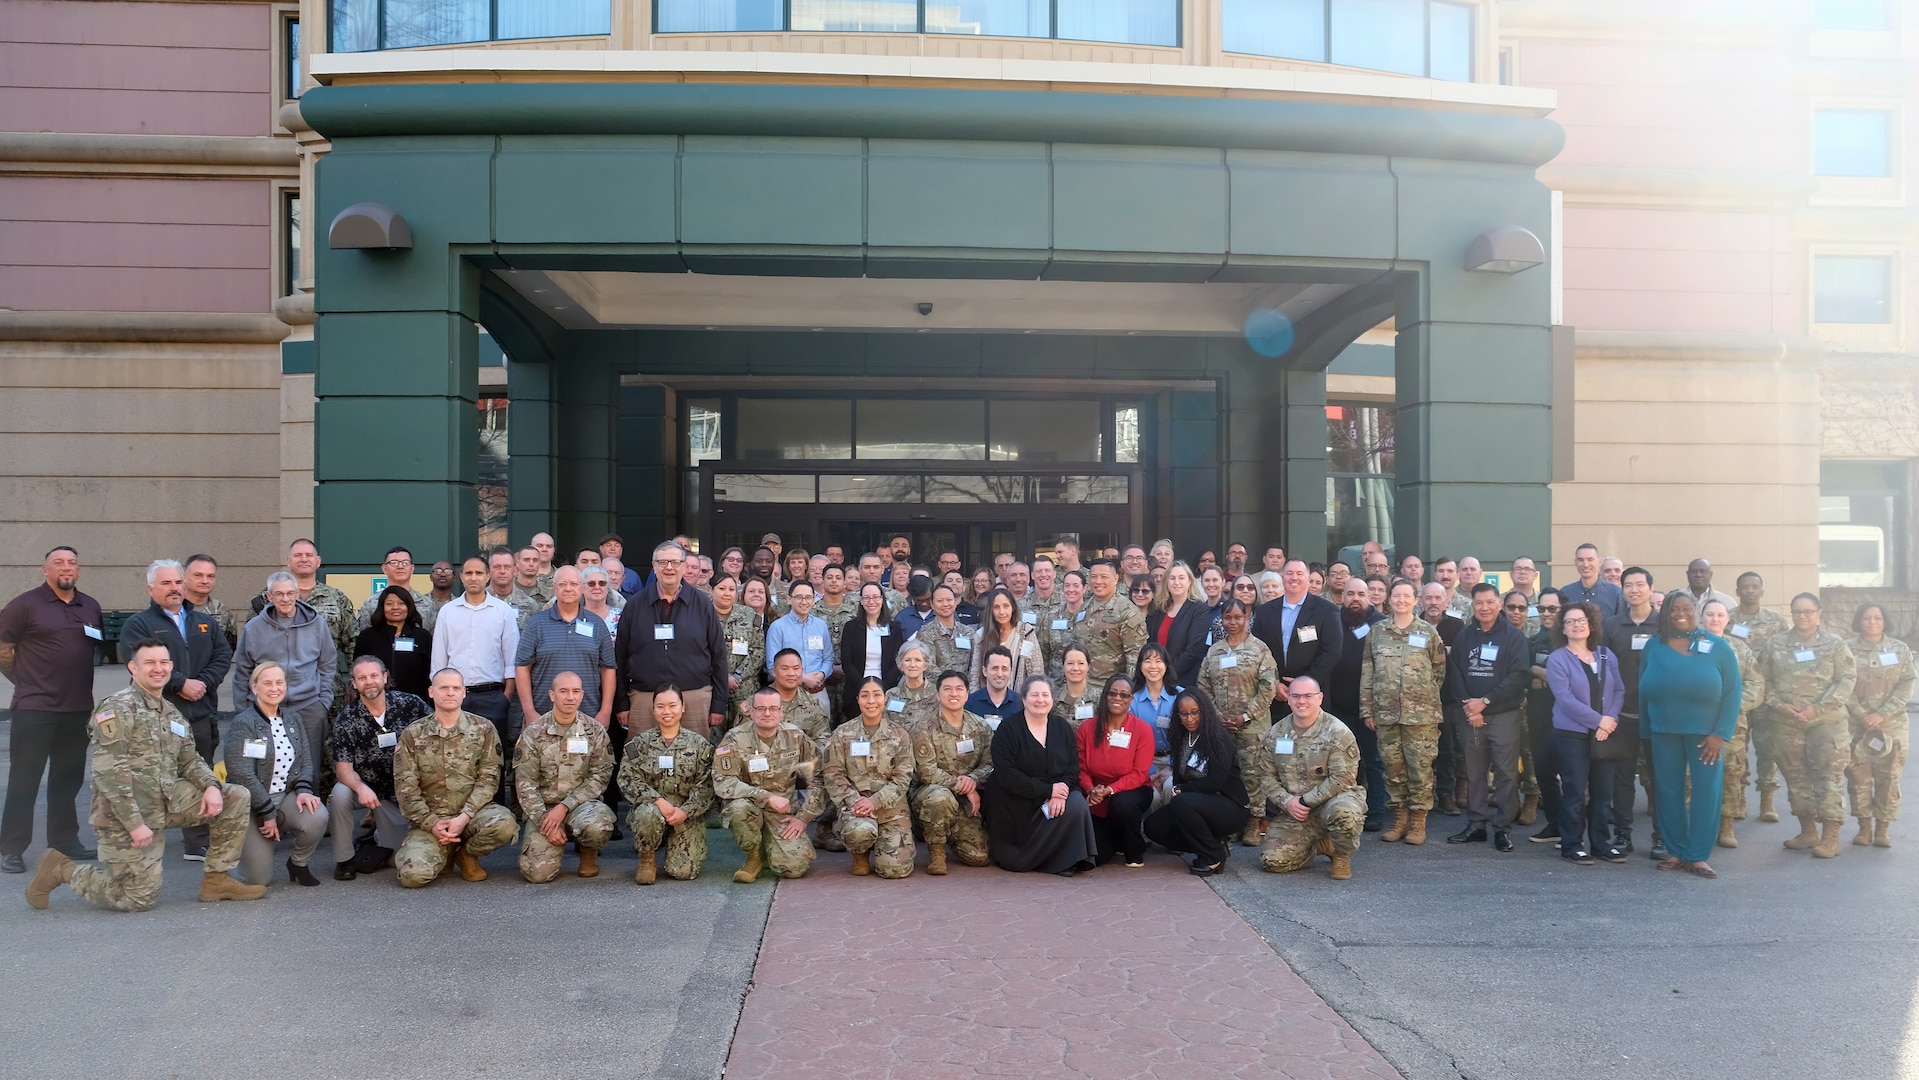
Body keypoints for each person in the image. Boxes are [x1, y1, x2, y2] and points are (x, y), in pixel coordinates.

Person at [24, 639, 263, 910]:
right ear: (133, 668)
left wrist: (210, 785)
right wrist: (135, 824)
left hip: (165, 802)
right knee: (136, 898)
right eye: (149, 662)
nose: (157, 669)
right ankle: (61, 869)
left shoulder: (172, 714)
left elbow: (189, 760)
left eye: (163, 662)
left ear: (171, 667)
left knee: (234, 796)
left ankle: (217, 880)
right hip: (123, 816)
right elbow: (109, 774)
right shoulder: (117, 708)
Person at [118, 558, 232, 863]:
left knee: (201, 773)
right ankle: (141, 839)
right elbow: (139, 663)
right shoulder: (139, 624)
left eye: (178, 582)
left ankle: (196, 842)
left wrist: (202, 684)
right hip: (156, 717)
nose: (174, 589)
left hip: (200, 713)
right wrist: (180, 683)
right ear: (151, 588)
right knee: (152, 777)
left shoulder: (202, 621)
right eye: (166, 583)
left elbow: (223, 655)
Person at [0, 546, 106, 873]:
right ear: (45, 570)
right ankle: (12, 849)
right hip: (35, 709)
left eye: (72, 562)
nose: (66, 568)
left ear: (79, 569)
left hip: (77, 709)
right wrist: (25, 681)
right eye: (58, 563)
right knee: (25, 779)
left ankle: (64, 841)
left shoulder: (90, 606)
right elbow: (3, 650)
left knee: (68, 779)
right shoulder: (23, 605)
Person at [1636, 592, 1742, 878]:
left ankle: (1697, 856)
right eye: (1673, 609)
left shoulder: (1717, 646)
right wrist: (1645, 732)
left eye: (1686, 609)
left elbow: (1733, 693)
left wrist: (1720, 734)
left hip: (1706, 736)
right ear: (1665, 614)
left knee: (1706, 792)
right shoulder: (1653, 647)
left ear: (1695, 612)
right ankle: (1675, 850)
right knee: (1668, 792)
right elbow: (1642, 690)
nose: (1680, 613)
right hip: (1663, 732)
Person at [391, 668, 519, 887]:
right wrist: (432, 824)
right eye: (444, 688)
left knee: (504, 824)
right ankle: (444, 850)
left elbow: (489, 779)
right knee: (413, 877)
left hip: (473, 815)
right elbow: (406, 789)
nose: (450, 693)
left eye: (456, 688)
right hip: (431, 819)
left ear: (464, 693)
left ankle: (466, 855)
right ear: (431, 692)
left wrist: (463, 818)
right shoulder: (413, 734)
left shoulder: (484, 729)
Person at [1761, 593, 1858, 858]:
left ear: (1819, 613)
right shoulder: (1776, 644)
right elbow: (1763, 681)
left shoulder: (1835, 644)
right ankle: (1807, 832)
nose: (1802, 616)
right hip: (1787, 723)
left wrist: (1818, 707)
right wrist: (1781, 706)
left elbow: (1847, 679)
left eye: (1808, 611)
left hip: (1825, 724)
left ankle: (1830, 837)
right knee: (1796, 779)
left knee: (1828, 779)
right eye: (1797, 612)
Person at [1360, 579, 1448, 846]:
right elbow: (1368, 671)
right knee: (1393, 769)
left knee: (1420, 769)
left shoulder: (1428, 632)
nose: (1401, 600)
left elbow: (1439, 671)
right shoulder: (1377, 632)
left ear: (1415, 599)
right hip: (1386, 714)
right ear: (1389, 599)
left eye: (1406, 596)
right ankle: (1400, 819)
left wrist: (1420, 696)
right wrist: (1367, 709)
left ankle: (1418, 822)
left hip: (1421, 717)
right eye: (1396, 595)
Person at [1444, 583, 1531, 852]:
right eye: (1479, 603)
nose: (1484, 607)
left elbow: (1518, 677)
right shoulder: (1465, 636)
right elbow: (1455, 671)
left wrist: (1486, 702)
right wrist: (1470, 708)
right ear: (1473, 605)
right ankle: (1476, 824)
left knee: (1506, 774)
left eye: (1489, 602)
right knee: (1475, 773)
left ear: (1499, 604)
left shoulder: (1514, 638)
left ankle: (1502, 828)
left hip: (1503, 715)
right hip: (1471, 717)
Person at [225, 662, 327, 887]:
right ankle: (225, 865)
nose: (274, 688)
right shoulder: (244, 723)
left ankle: (298, 863)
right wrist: (267, 812)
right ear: (254, 687)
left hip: (285, 796)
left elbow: (304, 760)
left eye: (279, 682)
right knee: (258, 880)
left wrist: (303, 790)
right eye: (267, 683)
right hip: (252, 804)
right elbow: (241, 773)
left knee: (317, 814)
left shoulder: (292, 718)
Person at [985, 676, 1097, 876]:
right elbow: (1006, 774)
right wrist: (1047, 790)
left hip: (1055, 795)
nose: (1040, 700)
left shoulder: (1062, 728)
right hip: (1016, 805)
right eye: (1034, 695)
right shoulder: (1008, 729)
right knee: (1015, 860)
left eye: (1045, 695)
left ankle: (1065, 861)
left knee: (1077, 804)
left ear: (1052, 700)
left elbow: (1073, 766)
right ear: (1024, 699)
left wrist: (1059, 791)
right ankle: (1037, 859)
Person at [713, 685, 826, 883]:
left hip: (782, 812)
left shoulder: (795, 736)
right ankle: (754, 857)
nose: (767, 713)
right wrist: (765, 796)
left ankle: (772, 848)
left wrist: (804, 817)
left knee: (793, 868)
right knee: (738, 810)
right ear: (752, 711)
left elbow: (819, 774)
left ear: (781, 711)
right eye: (761, 709)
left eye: (773, 708)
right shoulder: (734, 738)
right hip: (749, 806)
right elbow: (724, 780)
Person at [617, 541, 730, 737]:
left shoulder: (703, 604)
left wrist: (719, 704)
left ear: (685, 566)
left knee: (694, 761)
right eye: (663, 562)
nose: (669, 567)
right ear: (654, 566)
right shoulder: (634, 605)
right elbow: (620, 655)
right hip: (645, 699)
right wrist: (622, 703)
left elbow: (718, 655)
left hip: (693, 698)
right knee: (642, 761)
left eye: (675, 562)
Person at [234, 572, 338, 782]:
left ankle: (308, 812)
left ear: (298, 595)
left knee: (309, 769)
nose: (285, 598)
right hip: (265, 707)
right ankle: (270, 812)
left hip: (309, 706)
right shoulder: (254, 628)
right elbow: (243, 671)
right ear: (269, 596)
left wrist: (323, 702)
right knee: (265, 767)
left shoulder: (317, 624)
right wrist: (244, 711)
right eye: (279, 594)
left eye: (291, 593)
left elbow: (327, 664)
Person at [513, 670, 616, 883]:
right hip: (544, 809)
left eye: (575, 691)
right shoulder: (533, 732)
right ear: (552, 695)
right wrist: (545, 821)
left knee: (599, 825)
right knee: (537, 874)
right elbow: (525, 784)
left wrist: (565, 806)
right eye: (564, 691)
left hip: (581, 806)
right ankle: (552, 838)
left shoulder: (594, 731)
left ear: (582, 695)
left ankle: (587, 849)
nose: (570, 697)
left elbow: (600, 778)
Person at [329, 655, 426, 880]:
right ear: (354, 683)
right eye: (362, 678)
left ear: (385, 677)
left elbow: (435, 733)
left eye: (374, 675)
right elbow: (343, 769)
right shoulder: (346, 720)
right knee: (340, 794)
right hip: (369, 791)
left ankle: (374, 838)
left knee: (397, 859)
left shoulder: (410, 705)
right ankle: (344, 859)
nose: (369, 681)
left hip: (405, 791)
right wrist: (361, 788)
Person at [1256, 677, 1362, 880]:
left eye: (1308, 696)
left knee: (1345, 815)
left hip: (1332, 802)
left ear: (1320, 698)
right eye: (1295, 696)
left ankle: (1341, 852)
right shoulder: (1276, 733)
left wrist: (1305, 801)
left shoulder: (1338, 732)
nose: (1301, 701)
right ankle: (1319, 846)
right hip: (1296, 809)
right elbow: (1265, 775)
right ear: (1288, 699)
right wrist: (1287, 802)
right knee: (1273, 861)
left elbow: (1343, 778)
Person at [429, 556, 519, 785]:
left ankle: (495, 814)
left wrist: (505, 698)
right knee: (455, 759)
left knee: (492, 760)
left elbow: (512, 659)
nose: (473, 578)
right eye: (468, 573)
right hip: (455, 697)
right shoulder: (448, 612)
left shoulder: (503, 611)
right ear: (461, 577)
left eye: (479, 573)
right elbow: (439, 660)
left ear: (487, 576)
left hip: (492, 696)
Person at [1547, 601, 1625, 865]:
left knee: (1603, 792)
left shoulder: (1606, 655)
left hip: (1605, 733)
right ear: (1563, 628)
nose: (1577, 625)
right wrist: (1599, 721)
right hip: (1572, 735)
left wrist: (1610, 719)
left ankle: (1601, 844)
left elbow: (1619, 690)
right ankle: (1572, 845)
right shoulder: (1558, 658)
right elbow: (1565, 699)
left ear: (1591, 624)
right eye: (1570, 621)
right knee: (1575, 791)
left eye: (1581, 620)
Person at [1197, 598, 1277, 846]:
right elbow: (1203, 686)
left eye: (1238, 617)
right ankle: (1234, 821)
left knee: (1252, 774)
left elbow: (1268, 688)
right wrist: (1217, 716)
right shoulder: (1215, 651)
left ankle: (1254, 822)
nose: (1233, 622)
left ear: (1247, 617)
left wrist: (1245, 716)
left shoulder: (1260, 649)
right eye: (1228, 617)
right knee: (1228, 775)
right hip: (1221, 726)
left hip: (1252, 726)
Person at [1144, 690, 1250, 875]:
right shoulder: (1182, 737)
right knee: (1154, 826)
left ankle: (1212, 856)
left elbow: (1215, 782)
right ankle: (1213, 844)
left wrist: (1181, 789)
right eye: (1183, 713)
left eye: (1195, 712)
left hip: (1230, 806)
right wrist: (1180, 788)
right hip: (1197, 803)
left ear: (1205, 711)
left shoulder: (1218, 738)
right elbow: (1179, 774)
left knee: (1181, 802)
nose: (1189, 718)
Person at [823, 678, 917, 878]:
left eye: (877, 695)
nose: (871, 700)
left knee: (894, 870)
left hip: (891, 808)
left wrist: (875, 801)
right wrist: (856, 801)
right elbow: (833, 774)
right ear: (858, 700)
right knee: (860, 833)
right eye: (865, 695)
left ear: (885, 699)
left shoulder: (900, 735)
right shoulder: (842, 734)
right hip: (856, 807)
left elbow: (903, 777)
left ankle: (883, 845)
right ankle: (860, 852)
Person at [621, 685, 715, 884]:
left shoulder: (699, 745)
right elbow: (627, 778)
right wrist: (657, 801)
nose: (667, 711)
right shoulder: (639, 744)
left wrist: (686, 811)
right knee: (647, 814)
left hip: (685, 816)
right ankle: (647, 860)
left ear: (683, 708)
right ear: (653, 710)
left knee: (682, 872)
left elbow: (706, 786)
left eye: (672, 705)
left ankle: (673, 845)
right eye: (660, 706)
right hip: (653, 811)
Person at [1602, 567, 1663, 859]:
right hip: (1622, 716)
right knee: (1622, 780)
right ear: (1622, 590)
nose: (1634, 590)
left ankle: (1661, 837)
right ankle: (1623, 835)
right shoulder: (1612, 626)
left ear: (1651, 589)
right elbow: (1602, 670)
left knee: (1659, 779)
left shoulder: (1663, 625)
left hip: (1657, 718)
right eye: (1628, 585)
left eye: (1640, 584)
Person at [910, 670, 996, 874]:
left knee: (979, 857)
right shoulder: (924, 728)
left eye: (959, 689)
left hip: (964, 802)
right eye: (947, 689)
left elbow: (990, 764)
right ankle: (936, 851)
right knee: (941, 798)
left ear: (967, 694)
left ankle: (948, 830)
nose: (953, 694)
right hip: (930, 795)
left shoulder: (981, 727)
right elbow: (926, 771)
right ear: (937, 695)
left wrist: (973, 780)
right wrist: (964, 787)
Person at [514, 566, 616, 732]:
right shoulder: (536, 624)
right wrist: (529, 711)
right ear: (554, 588)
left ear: (582, 588)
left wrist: (605, 711)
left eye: (574, 584)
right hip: (544, 716)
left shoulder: (597, 624)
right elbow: (522, 668)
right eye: (562, 584)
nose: (568, 588)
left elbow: (608, 669)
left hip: (589, 716)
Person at [1845, 602, 1913, 849]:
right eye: (1866, 618)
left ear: (1885, 621)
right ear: (1859, 621)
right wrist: (1862, 713)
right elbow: (1843, 683)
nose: (1872, 622)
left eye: (1877, 618)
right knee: (1858, 777)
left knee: (1889, 778)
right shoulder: (1846, 649)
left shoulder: (1899, 649)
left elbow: (1907, 684)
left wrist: (1882, 714)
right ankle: (1864, 828)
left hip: (1891, 726)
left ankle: (1882, 830)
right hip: (1856, 725)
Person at [1729, 571, 1790, 822]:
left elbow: (1785, 655)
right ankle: (1740, 799)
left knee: (1767, 749)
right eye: (1745, 587)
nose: (1750, 591)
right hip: (1739, 693)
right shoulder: (1728, 620)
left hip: (1766, 697)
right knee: (1738, 749)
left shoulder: (1776, 622)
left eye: (1755, 587)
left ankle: (1767, 800)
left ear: (1762, 591)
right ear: (1738, 591)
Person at [1251, 559, 1343, 723]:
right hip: (1273, 697)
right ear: (1282, 577)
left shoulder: (1327, 611)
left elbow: (1331, 652)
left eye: (1300, 573)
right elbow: (1257, 651)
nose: (1294, 578)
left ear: (1308, 578)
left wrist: (1304, 684)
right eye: (1289, 573)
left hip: (1311, 696)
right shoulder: (1264, 612)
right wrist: (1273, 683)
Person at [1329, 578, 1388, 832]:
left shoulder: (1381, 623)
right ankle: (1339, 809)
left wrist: (1373, 707)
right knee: (1339, 762)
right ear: (1343, 596)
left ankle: (1375, 810)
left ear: (1370, 597)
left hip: (1369, 709)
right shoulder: (1332, 620)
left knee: (1373, 760)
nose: (1355, 598)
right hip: (1337, 706)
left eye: (1361, 594)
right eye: (1350, 593)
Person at [1079, 674, 1155, 867]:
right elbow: (1080, 768)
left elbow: (1139, 773)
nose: (1117, 698)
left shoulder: (1142, 730)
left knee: (1122, 804)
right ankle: (1114, 841)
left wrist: (1110, 790)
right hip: (1095, 795)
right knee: (1094, 858)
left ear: (1131, 699)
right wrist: (1090, 790)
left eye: (1124, 695)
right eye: (1112, 693)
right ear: (1105, 696)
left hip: (1132, 791)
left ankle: (1134, 851)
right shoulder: (1087, 729)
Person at [1419, 581, 1469, 815]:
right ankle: (1422, 795)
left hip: (1447, 697)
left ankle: (1446, 794)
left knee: (1447, 748)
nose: (1433, 603)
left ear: (1446, 601)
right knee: (1420, 751)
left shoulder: (1457, 626)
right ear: (1421, 600)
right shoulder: (1413, 625)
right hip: (1417, 700)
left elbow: (1460, 659)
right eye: (1428, 598)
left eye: (1437, 598)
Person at [762, 579, 834, 713]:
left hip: (818, 693)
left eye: (808, 597)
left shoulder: (821, 626)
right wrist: (803, 679)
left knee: (821, 732)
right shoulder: (777, 627)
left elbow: (828, 658)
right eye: (799, 597)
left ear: (814, 600)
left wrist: (821, 675)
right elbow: (772, 666)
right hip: (788, 695)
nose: (804, 602)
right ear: (789, 599)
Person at [353, 585, 433, 699]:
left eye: (401, 603)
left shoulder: (423, 637)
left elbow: (429, 671)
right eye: (389, 604)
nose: (395, 607)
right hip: (375, 701)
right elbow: (358, 669)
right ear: (382, 607)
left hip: (415, 702)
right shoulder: (367, 637)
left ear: (408, 606)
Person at [839, 582, 902, 718]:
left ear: (882, 600)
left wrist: (883, 686)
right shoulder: (851, 628)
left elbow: (898, 661)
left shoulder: (894, 628)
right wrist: (864, 687)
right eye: (866, 598)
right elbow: (847, 662)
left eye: (875, 597)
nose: (871, 602)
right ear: (861, 601)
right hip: (857, 689)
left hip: (887, 689)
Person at [1080, 560, 1147, 684]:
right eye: (1094, 577)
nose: (1098, 581)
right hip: (1083, 686)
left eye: (1104, 577)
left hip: (1110, 689)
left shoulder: (1128, 612)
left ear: (1115, 579)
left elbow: (1135, 659)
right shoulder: (1083, 608)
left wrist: (1126, 690)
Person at [1149, 562, 1211, 689]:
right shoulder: (1159, 609)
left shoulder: (1199, 609)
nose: (1176, 582)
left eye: (1181, 578)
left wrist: (1167, 674)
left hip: (1183, 681)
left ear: (1190, 582)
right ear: (1166, 582)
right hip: (1155, 679)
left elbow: (1193, 650)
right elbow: (1151, 643)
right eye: (1172, 578)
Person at [972, 586, 1043, 692]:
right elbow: (975, 674)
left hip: (1018, 700)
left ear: (1013, 608)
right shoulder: (981, 636)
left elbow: (1036, 671)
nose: (1002, 612)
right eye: (996, 607)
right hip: (988, 701)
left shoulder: (1025, 633)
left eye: (1006, 606)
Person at [354, 547, 437, 633]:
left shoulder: (427, 604)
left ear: (412, 569)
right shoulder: (371, 603)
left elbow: (433, 640)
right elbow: (364, 639)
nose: (400, 566)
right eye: (394, 563)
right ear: (384, 568)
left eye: (405, 563)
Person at [1040, 570, 1089, 683]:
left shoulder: (1092, 615)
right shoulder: (1051, 617)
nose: (1071, 589)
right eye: (1067, 586)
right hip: (1056, 683)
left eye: (1076, 585)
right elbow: (1044, 653)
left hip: (1086, 684)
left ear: (1084, 588)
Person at [184, 554, 240, 651]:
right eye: (198, 575)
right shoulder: (171, 608)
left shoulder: (223, 612)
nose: (205, 581)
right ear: (184, 577)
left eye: (210, 576)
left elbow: (227, 650)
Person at [1559, 542, 1625, 620]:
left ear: (1600, 562)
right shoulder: (1566, 593)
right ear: (1575, 562)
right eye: (1581, 560)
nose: (1585, 564)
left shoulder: (1616, 593)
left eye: (1590, 559)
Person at [885, 642, 938, 728]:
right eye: (907, 660)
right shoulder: (891, 695)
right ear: (901, 664)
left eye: (918, 660)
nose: (912, 665)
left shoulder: (937, 694)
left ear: (925, 665)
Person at [964, 647, 1022, 724]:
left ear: (1010, 672)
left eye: (1004, 669)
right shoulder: (970, 703)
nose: (999, 674)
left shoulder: (1021, 704)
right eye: (995, 668)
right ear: (984, 671)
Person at [1051, 644, 1101, 729]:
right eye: (1070, 663)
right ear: (1063, 666)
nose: (1075, 668)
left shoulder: (1100, 698)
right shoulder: (1052, 698)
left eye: (1081, 663)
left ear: (1088, 666)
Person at [581, 565, 624, 637]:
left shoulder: (621, 616)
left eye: (602, 583)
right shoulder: (574, 616)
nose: (597, 587)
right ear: (582, 587)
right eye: (591, 583)